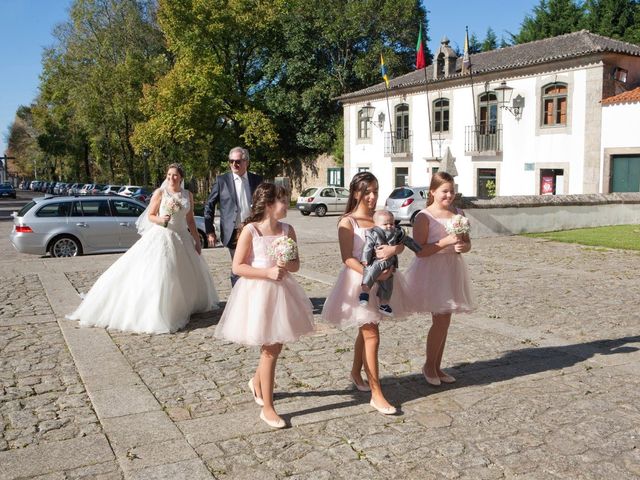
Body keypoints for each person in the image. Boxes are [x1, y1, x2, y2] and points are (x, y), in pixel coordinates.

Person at [67, 164, 219, 334]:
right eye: (169, 175)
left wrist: (197, 241)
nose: (171, 178)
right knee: (164, 273)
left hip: (182, 236)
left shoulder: (187, 195)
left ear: (181, 177)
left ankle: (188, 304)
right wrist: (161, 219)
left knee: (186, 272)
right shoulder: (160, 193)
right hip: (163, 235)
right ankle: (162, 311)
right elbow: (150, 215)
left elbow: (190, 220)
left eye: (175, 175)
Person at [215, 183, 314, 429]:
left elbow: (296, 265)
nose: (287, 204)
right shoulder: (251, 230)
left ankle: (256, 382)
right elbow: (237, 267)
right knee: (269, 349)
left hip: (282, 292)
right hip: (258, 292)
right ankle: (268, 408)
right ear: (269, 204)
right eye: (283, 200)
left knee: (275, 345)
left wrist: (284, 263)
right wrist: (267, 272)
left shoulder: (287, 230)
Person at [321, 172, 412, 415]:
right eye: (367, 191)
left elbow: (400, 241)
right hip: (358, 282)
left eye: (375, 191)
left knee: (368, 328)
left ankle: (355, 372)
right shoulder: (347, 222)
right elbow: (347, 258)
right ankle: (376, 393)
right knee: (371, 333)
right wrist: (370, 274)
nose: (372, 197)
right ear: (356, 192)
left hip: (384, 282)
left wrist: (395, 248)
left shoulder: (380, 218)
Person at [404, 172, 474, 386]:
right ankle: (429, 366)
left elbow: (467, 243)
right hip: (431, 271)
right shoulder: (424, 217)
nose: (449, 195)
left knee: (445, 321)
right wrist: (445, 242)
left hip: (452, 268)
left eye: (452, 191)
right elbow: (419, 251)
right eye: (445, 191)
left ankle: (436, 366)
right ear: (433, 192)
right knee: (441, 320)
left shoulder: (458, 213)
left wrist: (464, 246)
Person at [204, 147, 263, 286]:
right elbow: (209, 205)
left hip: (255, 229)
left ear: (246, 162)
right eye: (231, 161)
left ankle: (253, 295)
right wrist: (210, 230)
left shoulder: (257, 180)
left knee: (255, 264)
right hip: (234, 231)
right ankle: (238, 297)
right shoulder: (222, 181)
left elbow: (266, 204)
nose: (234, 165)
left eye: (238, 161)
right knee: (238, 266)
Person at [359, 209, 421, 317]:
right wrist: (365, 259)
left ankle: (384, 304)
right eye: (385, 224)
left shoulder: (397, 232)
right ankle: (365, 291)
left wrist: (417, 249)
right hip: (378, 261)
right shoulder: (373, 233)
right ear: (376, 225)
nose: (389, 226)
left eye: (391, 223)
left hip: (390, 263)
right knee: (371, 271)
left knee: (388, 285)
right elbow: (368, 247)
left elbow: (407, 241)